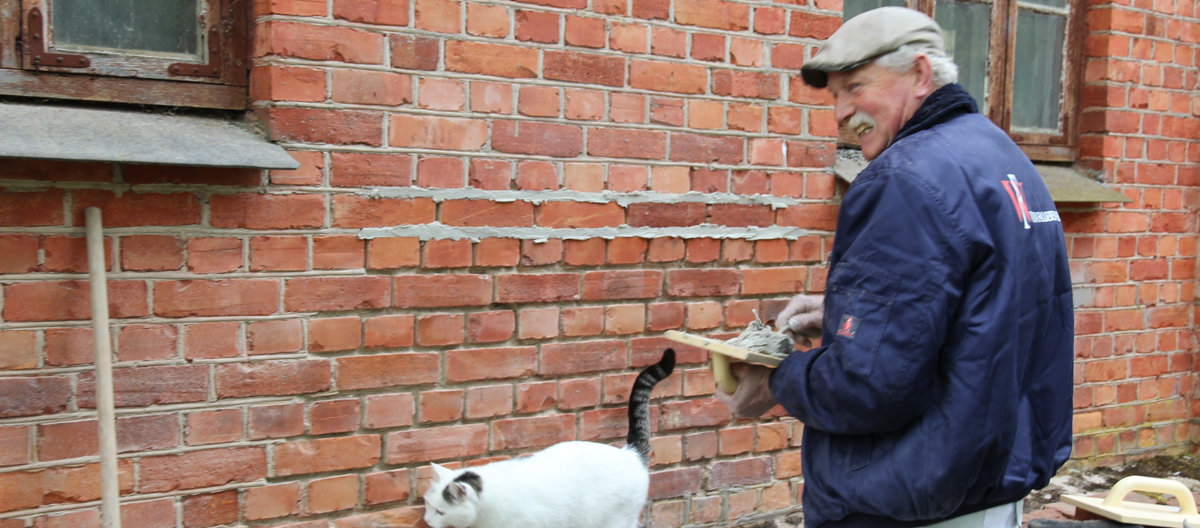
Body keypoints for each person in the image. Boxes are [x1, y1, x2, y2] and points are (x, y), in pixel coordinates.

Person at [715, 7, 1074, 528]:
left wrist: (774, 383)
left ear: (921, 74)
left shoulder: (904, 179)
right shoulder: (1003, 158)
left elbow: (868, 383)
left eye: (856, 86)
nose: (840, 112)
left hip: (906, 497)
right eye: (835, 95)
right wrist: (845, 308)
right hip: (991, 489)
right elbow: (982, 310)